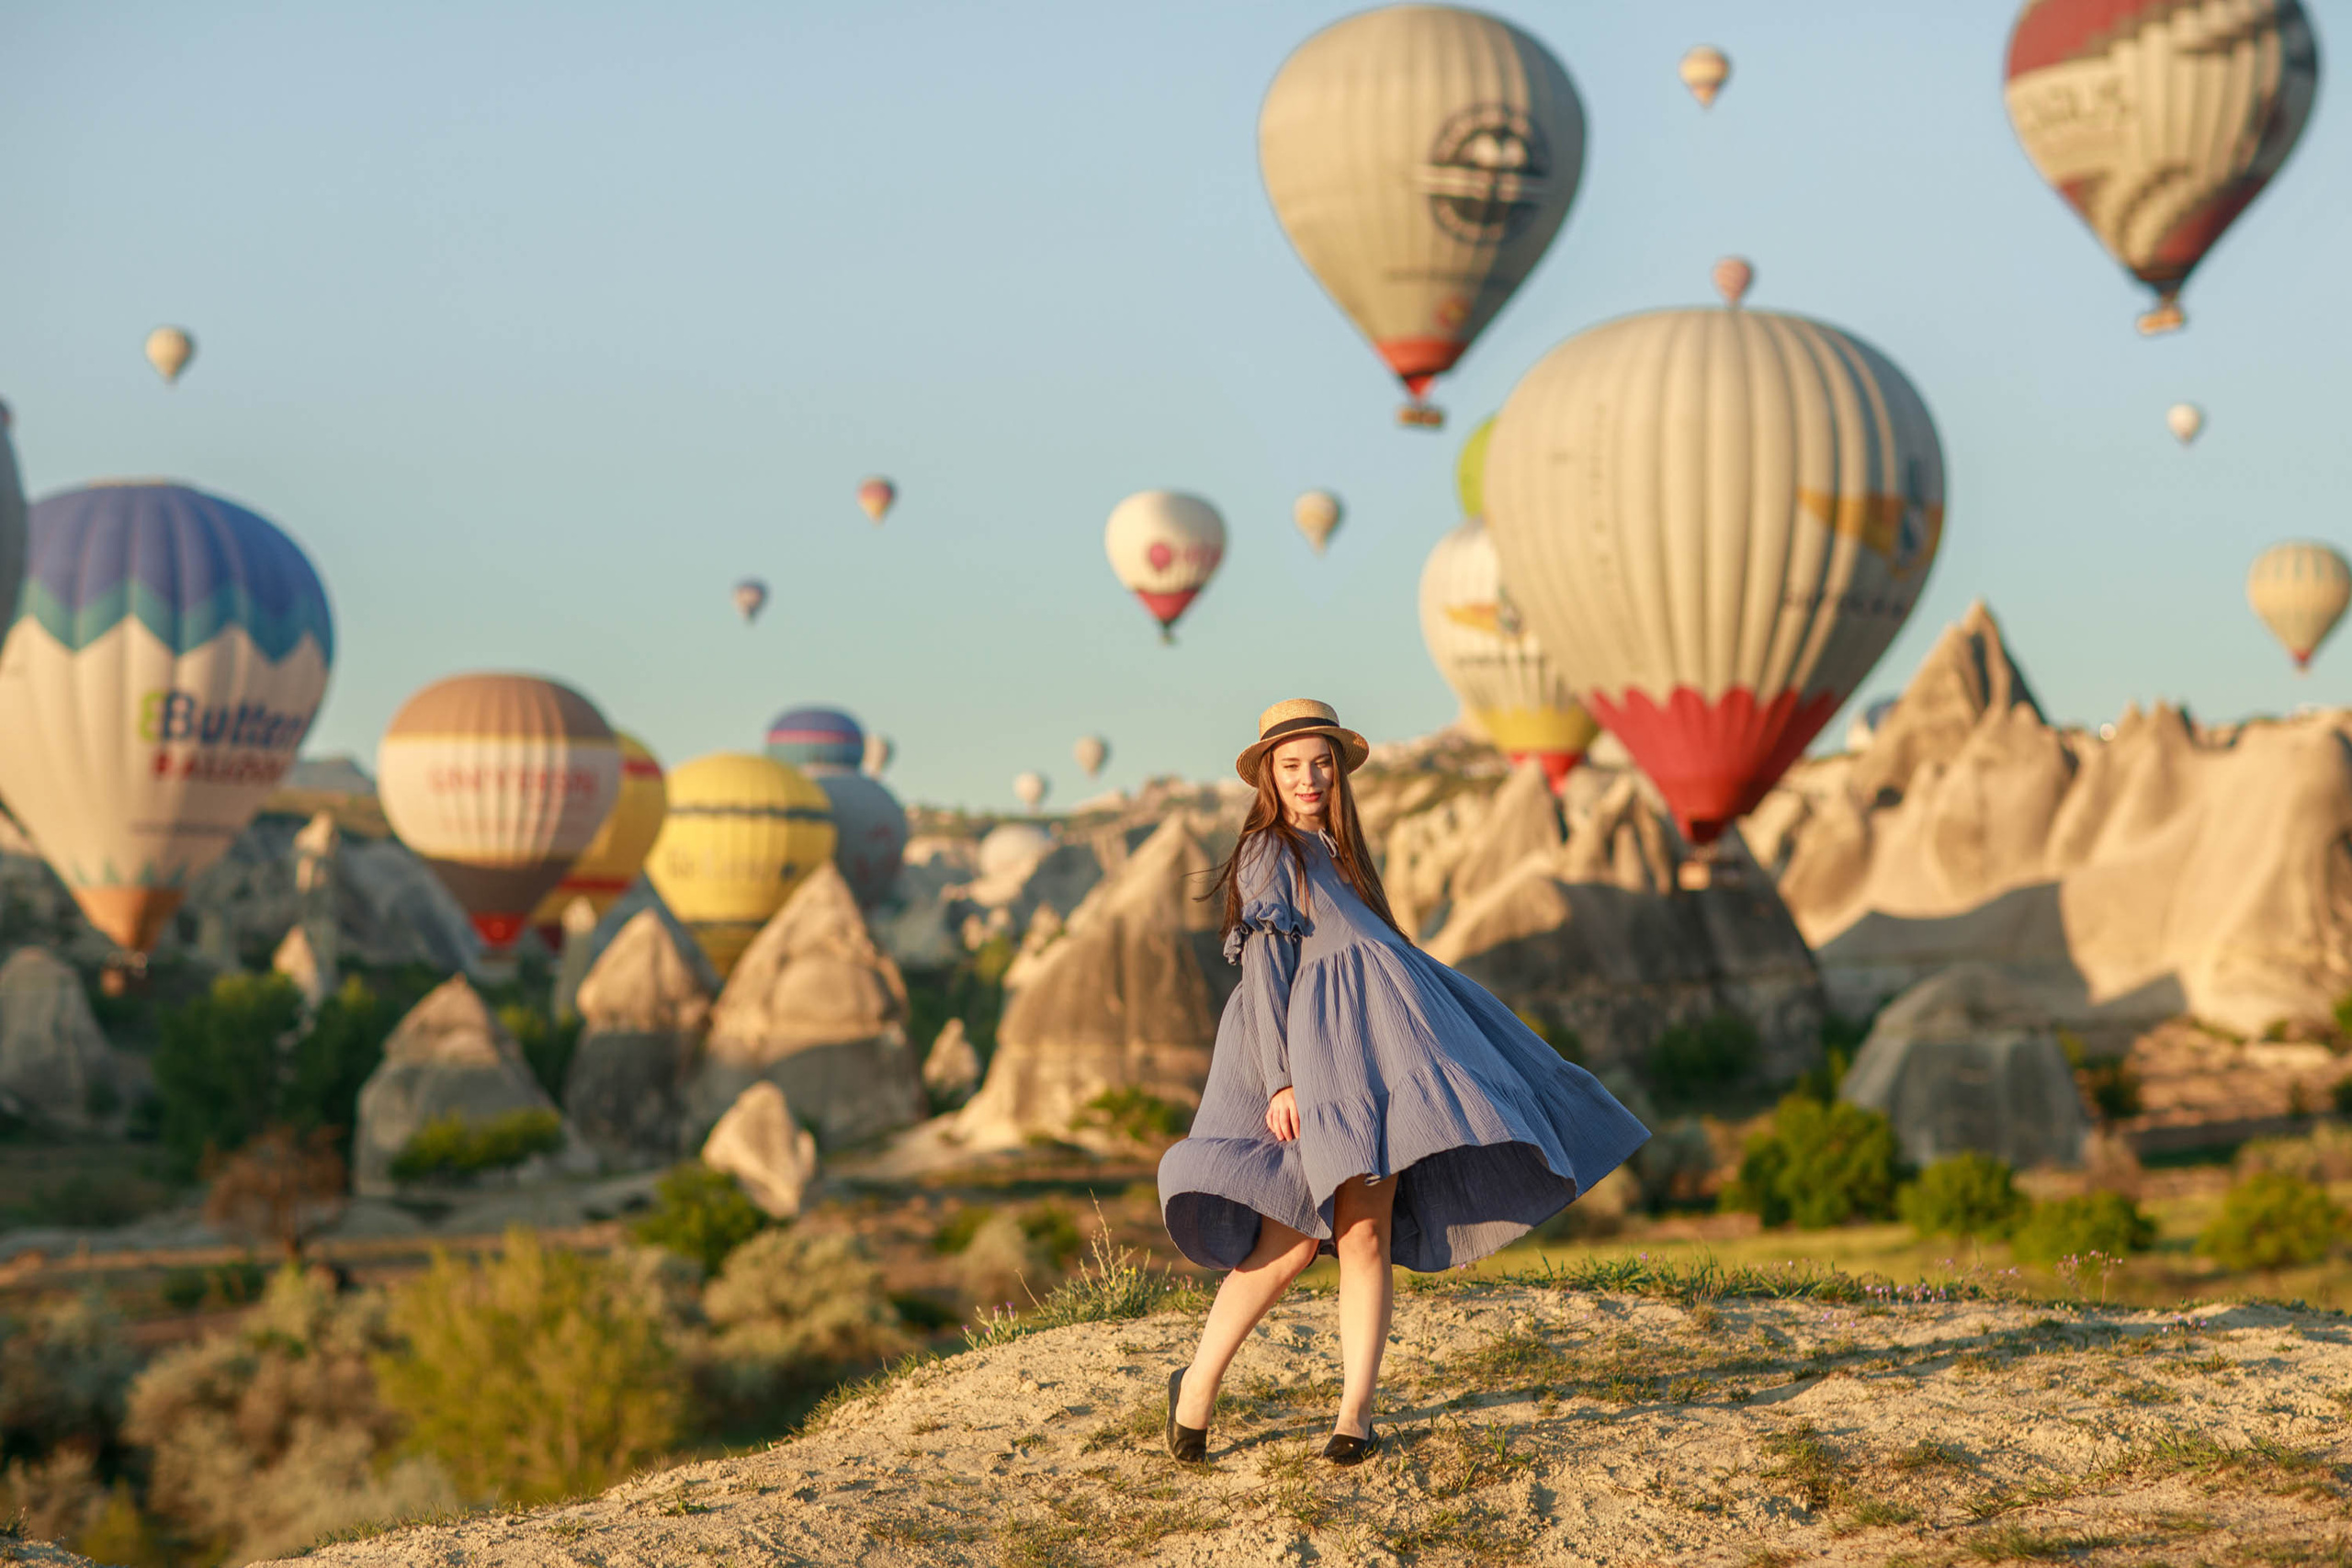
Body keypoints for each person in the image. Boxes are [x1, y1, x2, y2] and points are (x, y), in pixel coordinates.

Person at [1158, 699, 1649, 1465]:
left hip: (1377, 1061)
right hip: (1312, 1065)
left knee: (1364, 1237)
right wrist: (1282, 1081)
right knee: (1287, 1246)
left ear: (1339, 771)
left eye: (1321, 762)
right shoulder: (1269, 849)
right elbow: (1265, 967)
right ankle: (1193, 1389)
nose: (1309, 777)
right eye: (1292, 765)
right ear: (1269, 777)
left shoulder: (1344, 854)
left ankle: (1354, 1414)